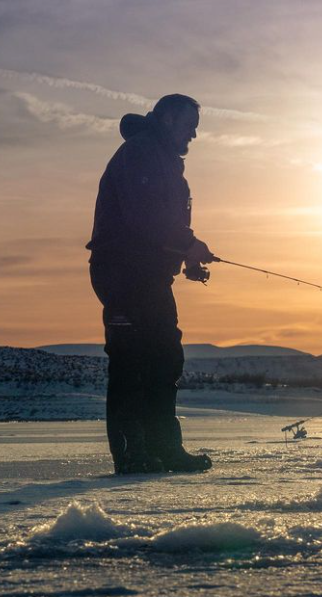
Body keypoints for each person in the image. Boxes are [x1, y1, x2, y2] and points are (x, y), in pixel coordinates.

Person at [87, 94, 215, 474]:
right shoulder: (140, 154)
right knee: (132, 362)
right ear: (169, 119)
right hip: (123, 273)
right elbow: (145, 217)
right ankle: (132, 455)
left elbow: (162, 224)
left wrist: (185, 256)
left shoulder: (167, 165)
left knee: (164, 359)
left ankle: (164, 449)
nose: (193, 134)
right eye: (190, 125)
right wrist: (188, 244)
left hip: (151, 276)